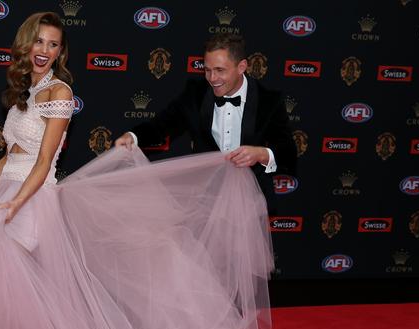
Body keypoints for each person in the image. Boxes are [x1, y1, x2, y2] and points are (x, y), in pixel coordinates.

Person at [0, 12, 273, 329]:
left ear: (61, 51)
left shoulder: (60, 93)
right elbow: (11, 158)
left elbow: (43, 162)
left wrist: (16, 204)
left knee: (12, 295)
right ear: (25, 45)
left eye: (54, 45)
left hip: (32, 200)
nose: (45, 51)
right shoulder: (24, 91)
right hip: (6, 197)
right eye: (39, 42)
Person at [116, 33, 297, 213]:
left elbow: (288, 152)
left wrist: (261, 154)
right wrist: (133, 136)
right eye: (207, 70)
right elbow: (161, 125)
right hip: (203, 200)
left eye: (220, 70)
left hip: (249, 204)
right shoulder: (195, 94)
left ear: (242, 66)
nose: (212, 78)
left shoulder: (269, 101)